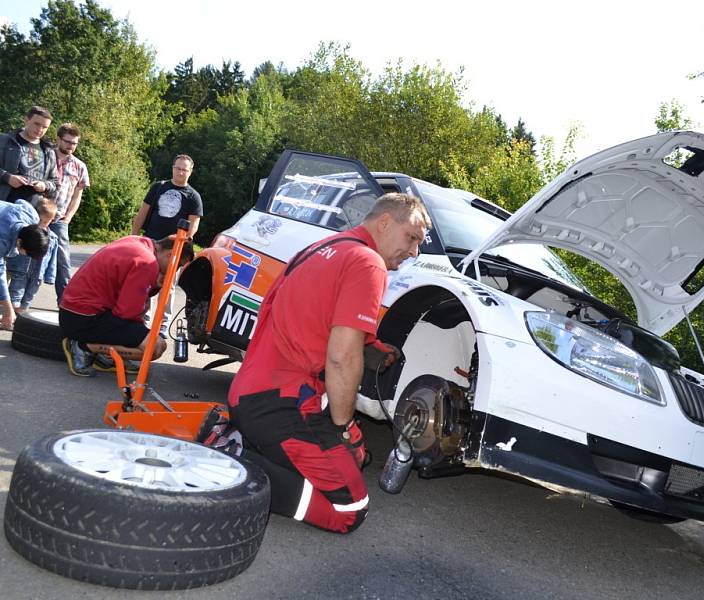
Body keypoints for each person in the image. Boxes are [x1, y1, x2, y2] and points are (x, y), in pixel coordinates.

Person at [227, 192, 431, 533]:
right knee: (349, 510)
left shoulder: (321, 248)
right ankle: (232, 464)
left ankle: (242, 441)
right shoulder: (368, 262)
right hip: (281, 406)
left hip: (249, 392)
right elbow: (341, 357)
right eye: (411, 238)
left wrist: (373, 345)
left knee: (357, 456)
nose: (414, 252)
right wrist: (341, 426)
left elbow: (315, 321)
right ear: (384, 223)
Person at [58, 235, 195, 377]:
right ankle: (83, 347)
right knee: (156, 347)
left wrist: (153, 286)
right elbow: (128, 314)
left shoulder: (138, 242)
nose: (173, 272)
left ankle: (104, 355)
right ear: (170, 254)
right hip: (85, 318)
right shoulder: (147, 263)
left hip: (74, 312)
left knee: (143, 327)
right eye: (178, 265)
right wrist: (140, 335)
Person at [130, 154, 202, 337]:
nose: (180, 172)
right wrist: (133, 236)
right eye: (177, 168)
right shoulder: (158, 187)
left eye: (184, 169)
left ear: (190, 172)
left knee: (167, 285)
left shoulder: (193, 196)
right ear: (173, 168)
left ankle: (162, 324)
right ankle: (142, 319)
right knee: (145, 281)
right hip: (151, 242)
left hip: (174, 247)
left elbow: (194, 224)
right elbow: (143, 212)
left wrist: (182, 242)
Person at [50, 123, 90, 302]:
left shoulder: (80, 166)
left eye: (74, 143)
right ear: (58, 139)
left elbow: (77, 194)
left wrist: (69, 217)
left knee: (63, 261)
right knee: (25, 256)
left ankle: (65, 301)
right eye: (67, 142)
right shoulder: (45, 156)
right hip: (36, 214)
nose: (70, 146)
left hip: (60, 218)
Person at [0, 199, 50, 330]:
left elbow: (21, 201)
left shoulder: (32, 216)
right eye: (26, 253)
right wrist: (8, 309)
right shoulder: (3, 240)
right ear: (19, 241)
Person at [7, 196, 58, 314]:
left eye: (46, 222)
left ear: (52, 220)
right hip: (20, 269)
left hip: (37, 274)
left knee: (29, 296)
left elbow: (52, 259)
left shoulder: (53, 238)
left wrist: (50, 276)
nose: (42, 224)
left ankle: (19, 317)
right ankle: (9, 314)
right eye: (40, 220)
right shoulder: (27, 232)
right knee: (15, 293)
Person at [0, 106, 58, 203]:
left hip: (31, 210)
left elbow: (54, 183)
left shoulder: (49, 151)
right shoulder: (4, 141)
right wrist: (7, 177)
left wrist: (44, 186)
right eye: (37, 124)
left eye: (44, 127)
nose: (40, 129)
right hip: (3, 205)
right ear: (27, 120)